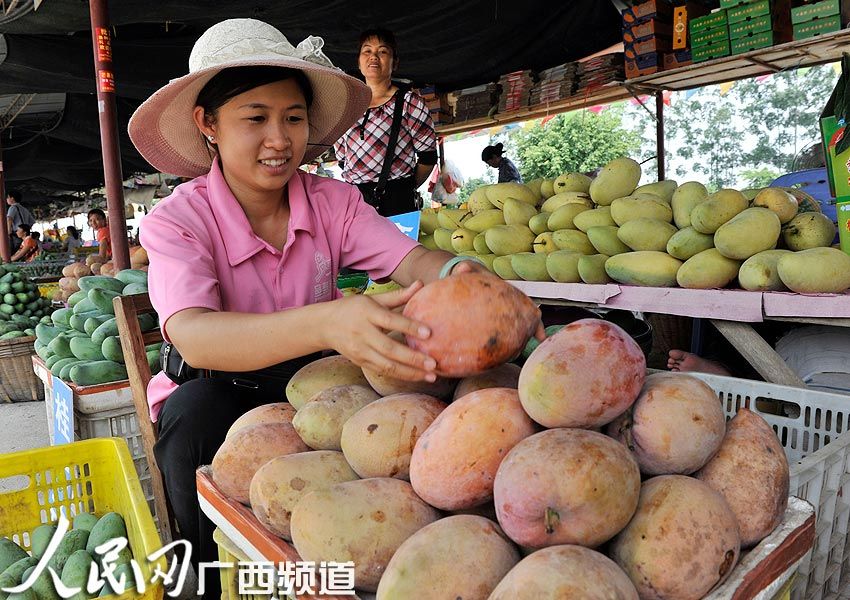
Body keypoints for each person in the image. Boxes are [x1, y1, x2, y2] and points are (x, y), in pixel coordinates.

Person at [128, 19, 536, 598]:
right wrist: (327, 321)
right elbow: (193, 335)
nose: (279, 139)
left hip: (320, 381)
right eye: (256, 118)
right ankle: (200, 577)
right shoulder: (177, 220)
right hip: (214, 388)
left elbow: (408, 261)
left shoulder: (333, 202)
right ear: (208, 124)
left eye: (293, 118)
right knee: (192, 421)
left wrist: (458, 276)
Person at [333, 28, 438, 217]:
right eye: (367, 51)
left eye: (382, 51)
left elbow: (428, 159)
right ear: (358, 61)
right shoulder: (346, 105)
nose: (374, 57)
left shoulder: (409, 103)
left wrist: (404, 187)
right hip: (354, 202)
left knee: (400, 247)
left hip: (397, 201)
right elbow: (342, 160)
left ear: (394, 63)